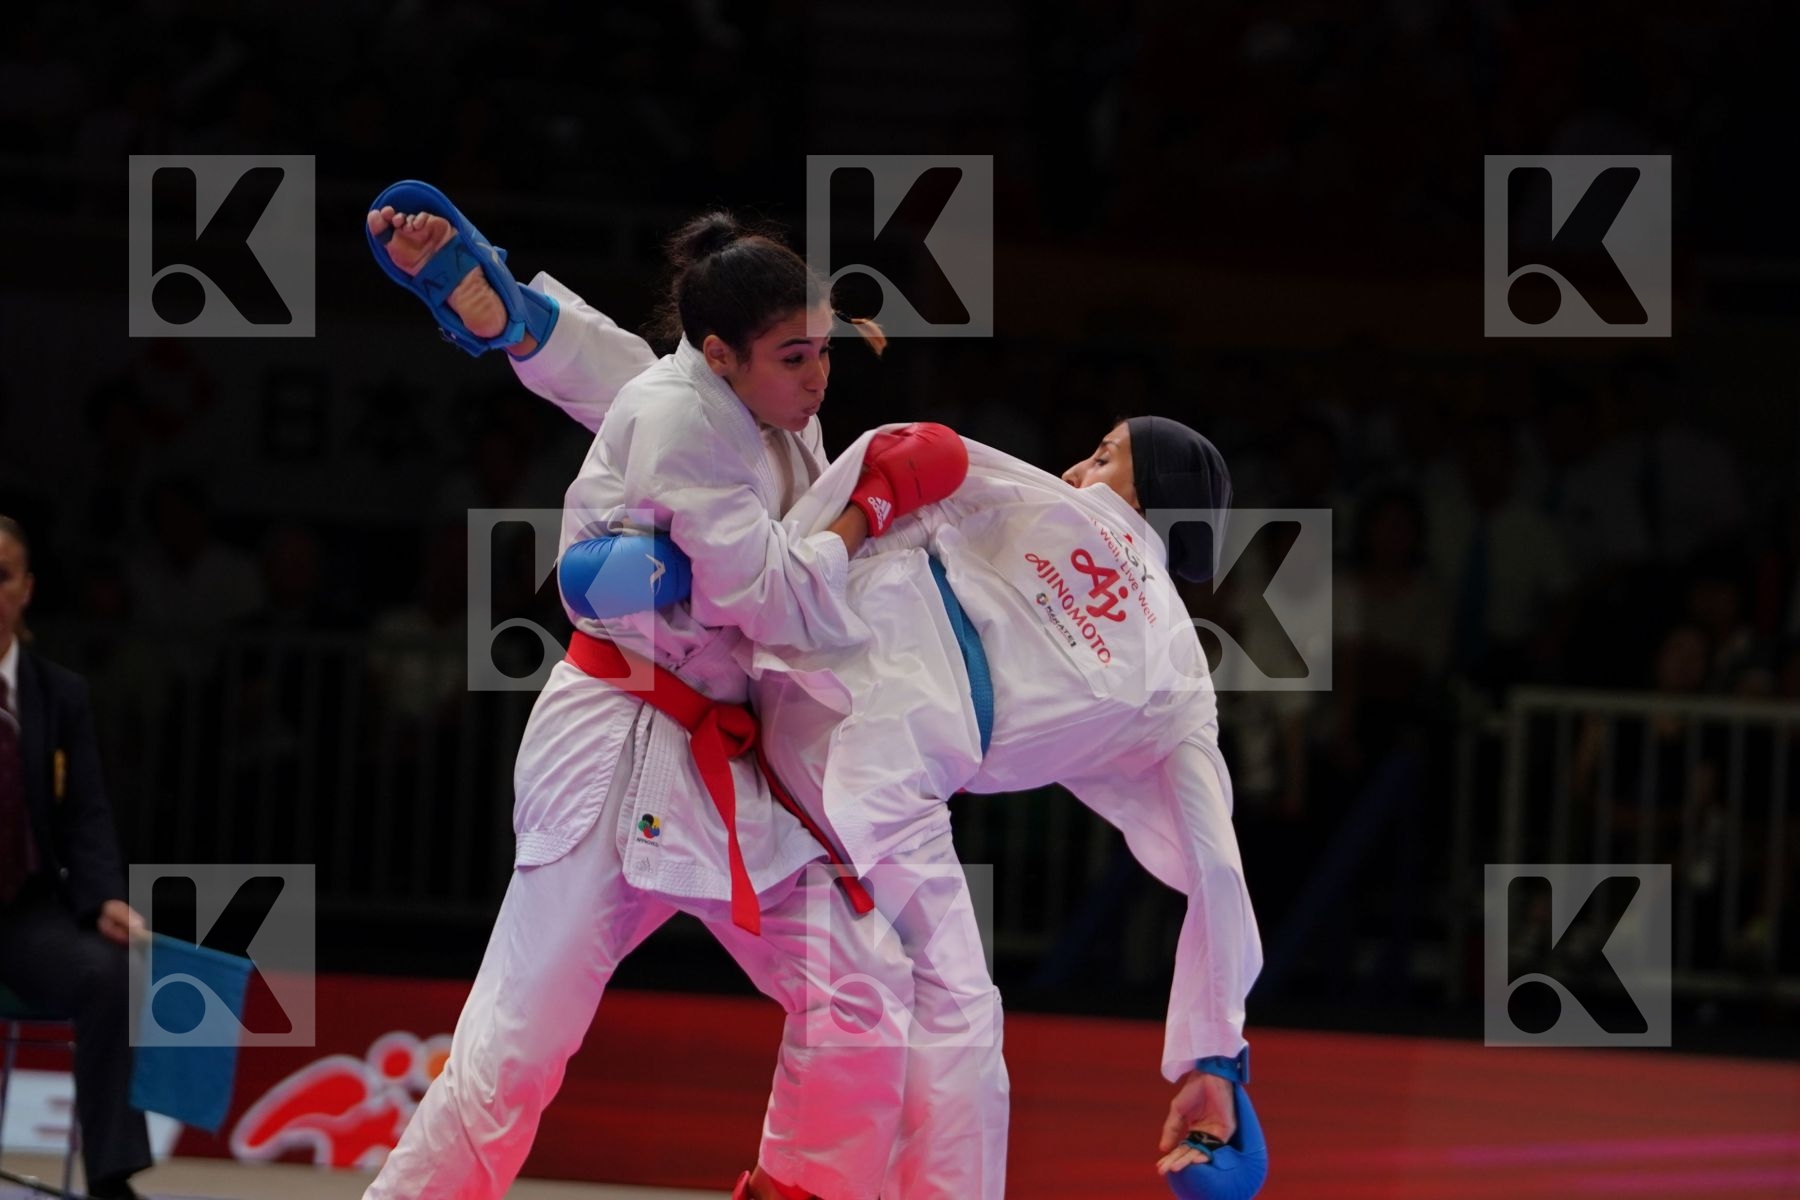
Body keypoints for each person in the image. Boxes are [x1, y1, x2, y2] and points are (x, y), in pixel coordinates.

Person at [363, 192, 970, 1200]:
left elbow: (625, 379)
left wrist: (520, 319)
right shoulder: (681, 418)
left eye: (825, 350)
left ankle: (799, 1191)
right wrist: (871, 506)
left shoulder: (743, 404)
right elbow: (775, 602)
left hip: (719, 761)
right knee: (516, 1050)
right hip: (614, 750)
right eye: (794, 357)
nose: (819, 377)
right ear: (722, 353)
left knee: (859, 987)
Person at [0, 515, 151, 1200]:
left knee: (109, 973)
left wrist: (105, 899)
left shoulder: (58, 695)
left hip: (26, 915)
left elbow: (87, 814)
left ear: (25, 588)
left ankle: (111, 1177)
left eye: (2, 575)